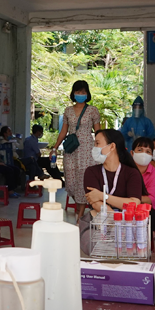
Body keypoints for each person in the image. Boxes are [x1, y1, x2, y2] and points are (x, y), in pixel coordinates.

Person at [51, 80, 101, 220]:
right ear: (73, 93)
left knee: (83, 180)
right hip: (71, 149)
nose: (80, 94)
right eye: (78, 92)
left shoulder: (93, 110)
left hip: (87, 148)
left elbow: (98, 132)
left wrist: (101, 148)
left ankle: (80, 215)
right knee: (71, 182)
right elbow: (63, 131)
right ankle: (81, 209)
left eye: (83, 92)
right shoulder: (68, 110)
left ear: (87, 93)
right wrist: (54, 148)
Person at [84, 129, 144, 213]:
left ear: (112, 146)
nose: (94, 148)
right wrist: (115, 221)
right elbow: (95, 203)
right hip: (103, 220)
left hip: (128, 221)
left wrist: (102, 196)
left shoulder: (132, 173)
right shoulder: (91, 172)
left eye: (97, 143)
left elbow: (134, 203)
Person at [131, 137, 155, 232]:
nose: (143, 154)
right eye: (140, 150)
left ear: (152, 156)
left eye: (148, 151)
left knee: (152, 219)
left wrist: (131, 200)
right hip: (125, 207)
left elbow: (150, 199)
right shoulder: (125, 170)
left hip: (147, 209)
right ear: (132, 153)